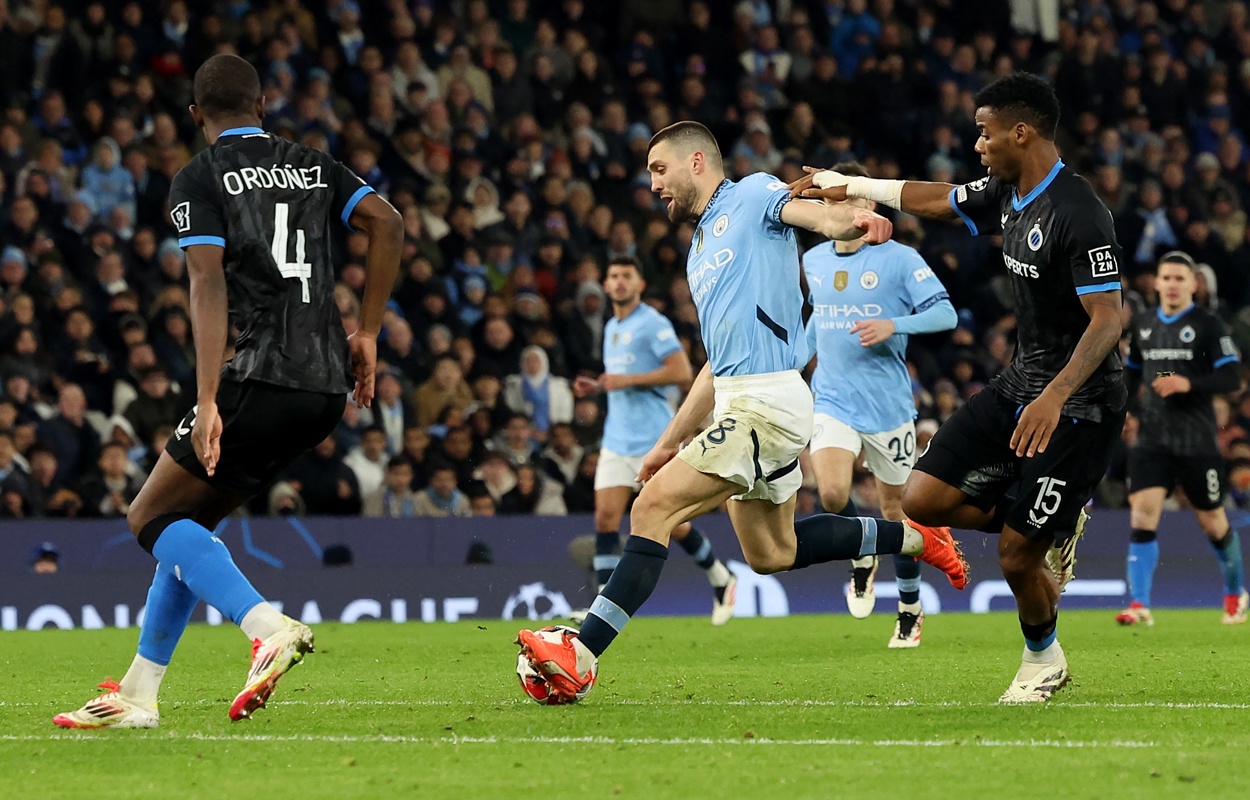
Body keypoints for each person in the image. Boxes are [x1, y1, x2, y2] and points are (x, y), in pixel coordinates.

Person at [516, 121, 965, 704]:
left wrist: (854, 218)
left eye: (659, 169)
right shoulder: (700, 250)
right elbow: (713, 365)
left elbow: (817, 218)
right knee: (771, 553)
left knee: (650, 508)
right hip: (740, 399)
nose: (652, 185)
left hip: (767, 403)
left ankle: (581, 653)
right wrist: (668, 440)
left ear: (697, 161)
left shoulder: (752, 194)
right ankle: (915, 540)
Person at [54, 54, 402, 729]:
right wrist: (368, 332)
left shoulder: (199, 177)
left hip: (262, 376)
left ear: (195, 115)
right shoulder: (311, 163)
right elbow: (387, 223)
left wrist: (208, 399)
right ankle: (139, 694)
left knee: (147, 518)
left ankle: (266, 625)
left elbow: (206, 284)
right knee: (190, 527)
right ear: (264, 105)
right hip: (325, 383)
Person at [794, 73, 1127, 703]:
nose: (977, 144)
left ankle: (1043, 660)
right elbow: (939, 199)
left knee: (1015, 558)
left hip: (1079, 402)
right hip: (1020, 382)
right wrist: (856, 187)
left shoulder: (1081, 212)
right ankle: (1042, 522)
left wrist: (1055, 396)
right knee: (921, 498)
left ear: (1020, 131)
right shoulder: (1008, 191)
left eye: (985, 131)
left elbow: (1110, 319)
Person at [803, 161, 958, 647]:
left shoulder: (900, 259)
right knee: (830, 493)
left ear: (868, 203)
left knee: (897, 513)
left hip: (889, 405)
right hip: (831, 397)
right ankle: (861, 555)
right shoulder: (813, 260)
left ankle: (909, 606)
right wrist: (792, 363)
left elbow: (946, 314)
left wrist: (895, 324)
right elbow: (819, 321)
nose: (837, 206)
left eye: (846, 197)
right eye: (830, 198)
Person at [570, 255, 738, 627]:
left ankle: (720, 577)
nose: (618, 282)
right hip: (616, 438)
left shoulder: (653, 323)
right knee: (605, 518)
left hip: (652, 438)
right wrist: (598, 385)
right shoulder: (613, 325)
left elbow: (681, 372)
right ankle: (600, 604)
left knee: (672, 523)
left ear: (639, 284)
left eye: (626, 276)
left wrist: (624, 381)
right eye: (612, 276)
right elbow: (624, 377)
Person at [1117, 251, 1247, 626]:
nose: (1172, 285)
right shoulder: (1142, 326)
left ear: (1193, 284)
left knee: (1212, 521)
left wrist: (1189, 382)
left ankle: (1235, 594)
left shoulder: (1207, 325)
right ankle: (1140, 605)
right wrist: (1128, 410)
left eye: (1179, 279)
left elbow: (1232, 378)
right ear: (1156, 283)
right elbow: (1132, 374)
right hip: (1152, 438)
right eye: (1166, 278)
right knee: (1142, 514)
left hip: (1197, 439)